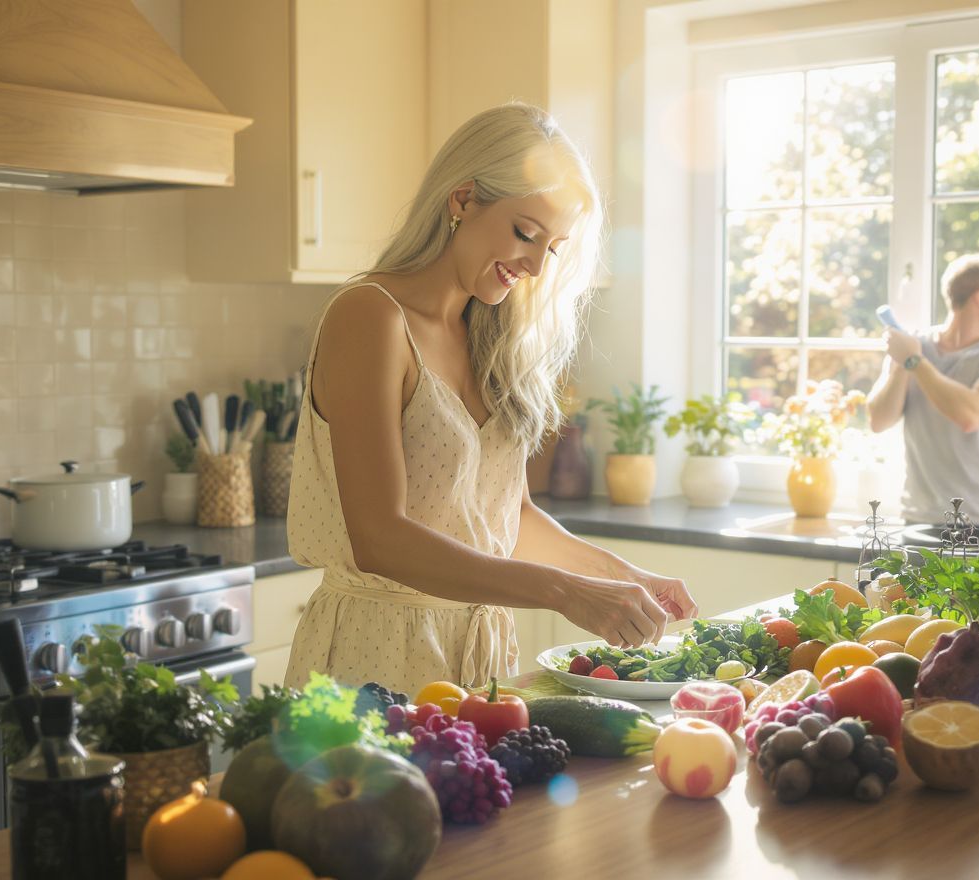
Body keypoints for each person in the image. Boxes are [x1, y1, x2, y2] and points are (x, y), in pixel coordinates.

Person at [283, 104, 698, 695]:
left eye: (552, 247)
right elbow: (379, 539)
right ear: (463, 200)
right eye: (526, 233)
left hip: (479, 657)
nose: (535, 266)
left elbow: (510, 520)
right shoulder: (369, 316)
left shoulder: (490, 339)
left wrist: (627, 579)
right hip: (375, 657)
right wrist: (565, 593)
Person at [866, 254, 979, 528]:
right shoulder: (912, 346)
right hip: (921, 519)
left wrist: (914, 362)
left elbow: (971, 415)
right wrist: (902, 365)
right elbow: (878, 420)